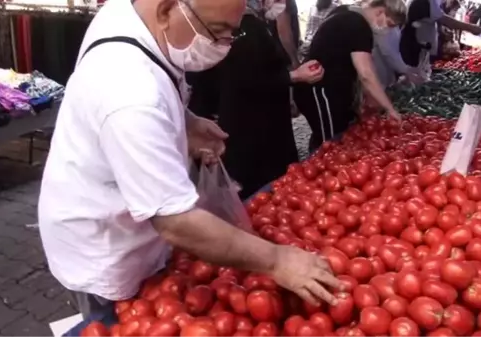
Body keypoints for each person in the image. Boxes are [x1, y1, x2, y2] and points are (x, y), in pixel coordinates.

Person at [37, 0, 342, 320]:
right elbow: (176, 221)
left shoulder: (130, 15)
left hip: (130, 211)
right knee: (118, 319)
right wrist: (277, 260)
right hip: (103, 242)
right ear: (167, 10)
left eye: (231, 34)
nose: (223, 47)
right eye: (217, 32)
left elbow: (156, 74)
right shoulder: (128, 93)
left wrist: (186, 121)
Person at [188, 0, 324, 200]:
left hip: (256, 119)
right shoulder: (244, 26)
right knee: (260, 187)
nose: (279, 4)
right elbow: (247, 78)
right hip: (253, 125)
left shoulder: (253, 24)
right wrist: (295, 76)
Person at [294, 0, 405, 151]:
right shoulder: (358, 25)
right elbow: (366, 73)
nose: (388, 30)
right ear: (380, 12)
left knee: (329, 136)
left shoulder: (347, 12)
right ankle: (314, 170)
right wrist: (389, 109)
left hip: (326, 88)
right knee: (330, 145)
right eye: (390, 24)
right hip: (320, 89)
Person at [400, 0, 481, 71]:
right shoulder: (429, 1)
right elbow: (445, 20)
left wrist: (442, 31)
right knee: (416, 75)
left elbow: (429, 19)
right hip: (416, 46)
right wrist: (471, 28)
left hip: (418, 43)